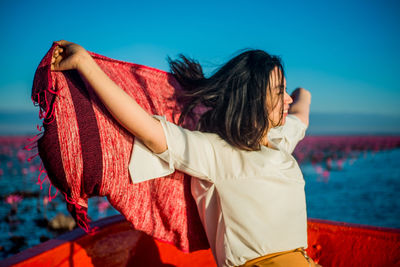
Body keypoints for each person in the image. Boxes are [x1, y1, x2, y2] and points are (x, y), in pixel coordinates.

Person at [51, 40, 318, 267]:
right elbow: (148, 129)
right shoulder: (216, 152)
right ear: (254, 99)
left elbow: (301, 109)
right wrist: (86, 65)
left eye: (285, 90)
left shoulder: (279, 139)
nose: (288, 99)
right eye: (279, 91)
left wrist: (299, 90)